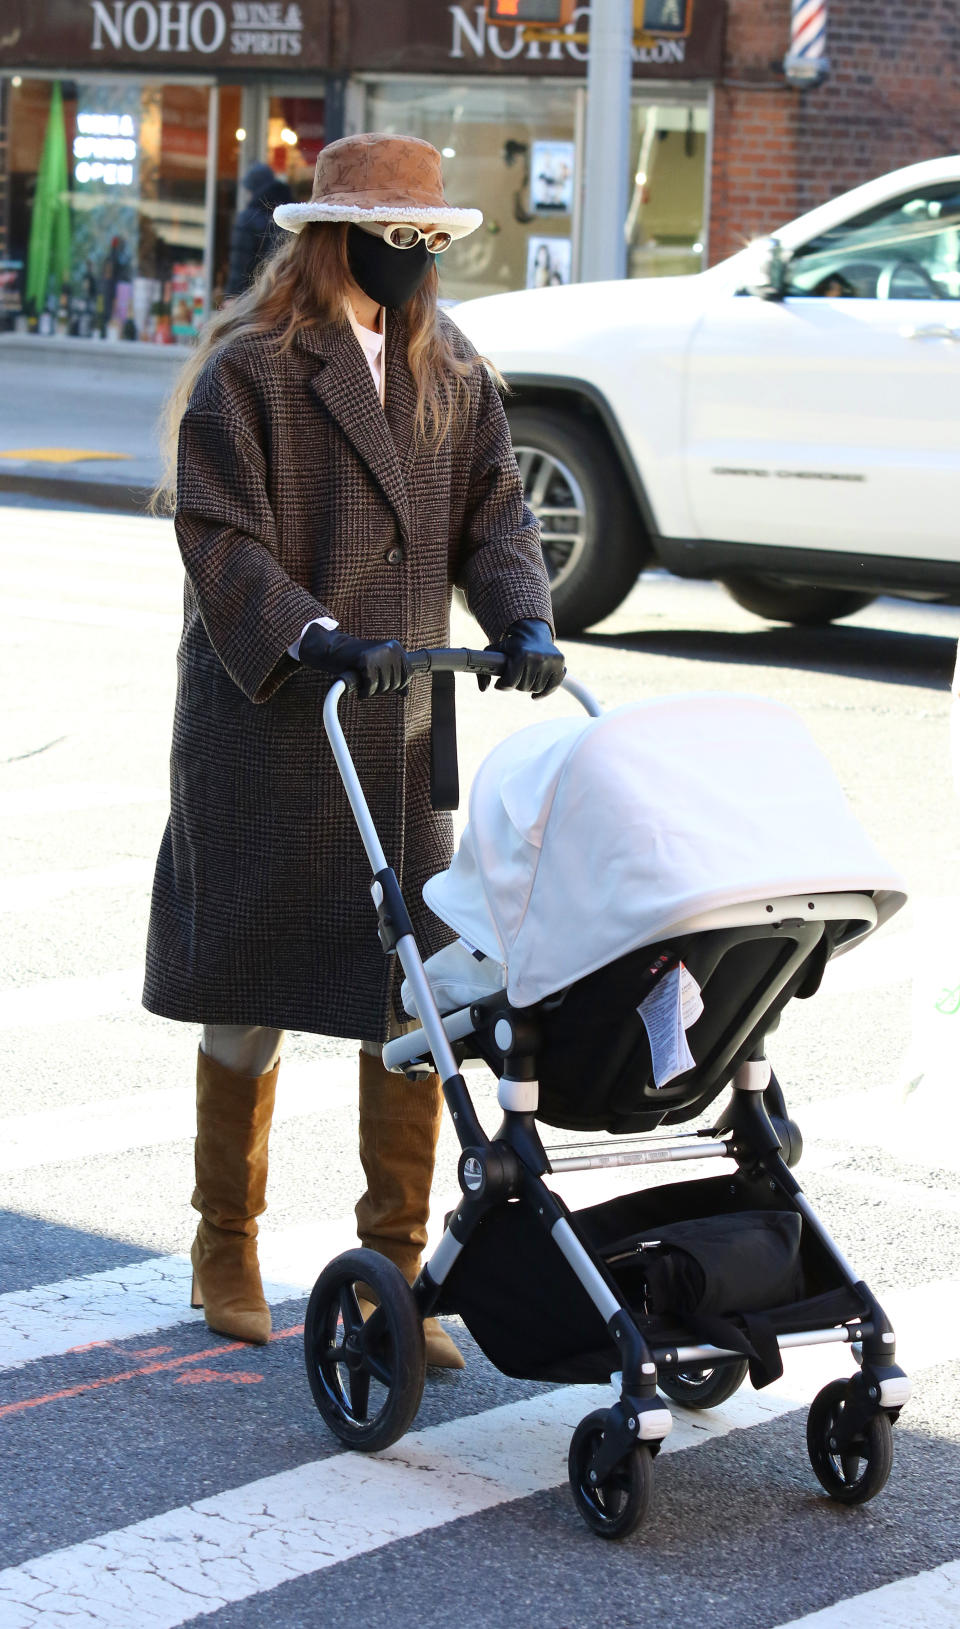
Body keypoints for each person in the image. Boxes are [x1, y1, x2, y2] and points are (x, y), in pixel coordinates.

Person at [144, 132, 564, 1370]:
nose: (417, 260)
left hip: (397, 731)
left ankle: (398, 1265)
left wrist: (525, 617)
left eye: (431, 240)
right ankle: (226, 1238)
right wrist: (310, 634)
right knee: (251, 999)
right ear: (337, 236)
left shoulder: (454, 371)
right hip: (275, 720)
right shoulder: (253, 374)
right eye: (400, 237)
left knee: (416, 1001)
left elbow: (496, 509)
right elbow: (220, 540)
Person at [225, 162, 292, 297]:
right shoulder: (287, 215)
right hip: (279, 295)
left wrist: (232, 295)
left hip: (250, 296)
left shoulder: (248, 218)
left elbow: (240, 262)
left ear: (253, 190)